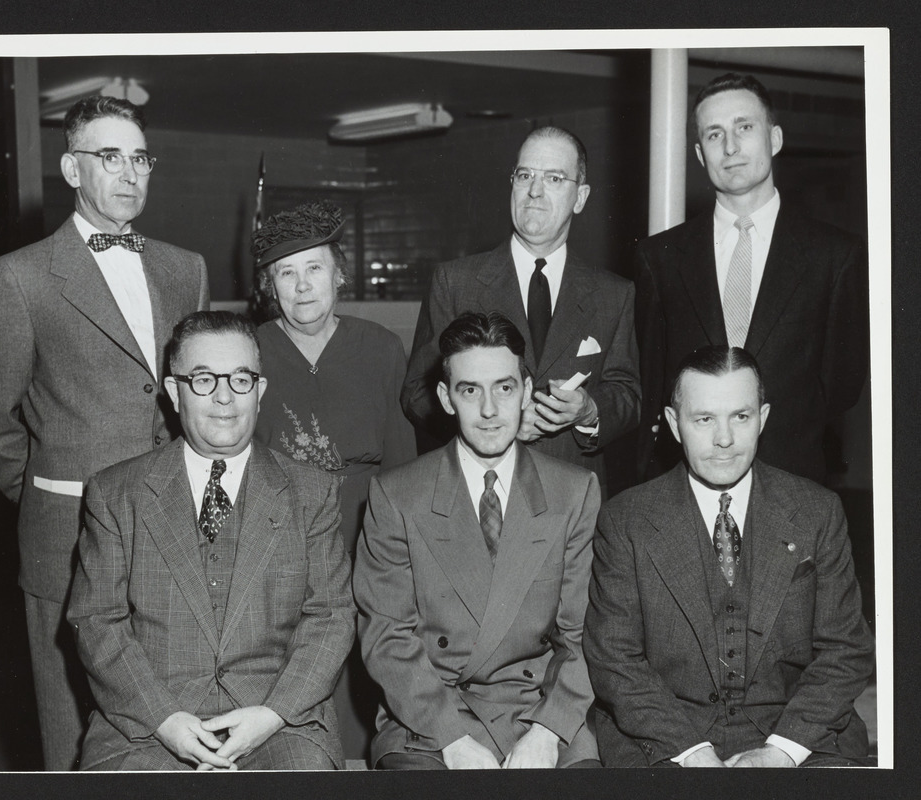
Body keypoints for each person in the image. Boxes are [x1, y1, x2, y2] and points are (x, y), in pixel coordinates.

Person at [0, 96, 209, 769]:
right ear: (71, 169)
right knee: (72, 731)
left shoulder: (184, 268)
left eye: (140, 158)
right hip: (67, 535)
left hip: (173, 532)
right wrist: (45, 492)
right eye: (109, 156)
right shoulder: (19, 278)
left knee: (169, 719)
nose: (129, 173)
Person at [67, 311, 355, 770]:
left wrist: (272, 714)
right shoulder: (115, 492)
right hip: (148, 727)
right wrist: (164, 719)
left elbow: (332, 616)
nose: (224, 397)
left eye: (241, 379)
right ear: (174, 390)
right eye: (202, 379)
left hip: (277, 725)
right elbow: (97, 619)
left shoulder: (311, 492)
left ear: (259, 391)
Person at [583, 345, 874, 768]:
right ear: (673, 424)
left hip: (800, 735)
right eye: (704, 419)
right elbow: (614, 659)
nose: (724, 439)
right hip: (665, 741)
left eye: (741, 416)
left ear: (764, 418)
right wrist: (691, 752)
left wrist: (782, 751)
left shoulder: (817, 511)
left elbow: (845, 652)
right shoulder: (625, 520)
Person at [355, 311, 601, 769]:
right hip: (428, 718)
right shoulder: (397, 495)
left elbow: (582, 636)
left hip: (541, 710)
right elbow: (387, 637)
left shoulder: (574, 491)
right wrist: (452, 739)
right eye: (471, 390)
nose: (490, 410)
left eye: (504, 388)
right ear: (446, 398)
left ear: (526, 392)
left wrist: (547, 733)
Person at [634, 73, 868, 485]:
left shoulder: (835, 255)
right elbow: (652, 381)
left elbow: (842, 387)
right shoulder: (660, 258)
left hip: (794, 482)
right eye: (714, 134)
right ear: (699, 153)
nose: (730, 147)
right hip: (687, 486)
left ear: (774, 139)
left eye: (744, 127)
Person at [250, 200, 417, 761]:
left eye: (314, 268)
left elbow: (401, 465)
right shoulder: (251, 353)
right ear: (270, 286)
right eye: (286, 273)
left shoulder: (381, 348)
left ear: (340, 272)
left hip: (367, 527)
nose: (302, 286)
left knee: (370, 657)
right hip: (284, 534)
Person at [401, 126, 639, 496]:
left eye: (554, 178)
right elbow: (418, 393)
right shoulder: (455, 281)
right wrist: (491, 422)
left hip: (573, 498)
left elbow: (628, 394)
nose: (535, 191)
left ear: (581, 197)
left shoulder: (614, 293)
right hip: (475, 491)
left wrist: (589, 411)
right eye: (525, 175)